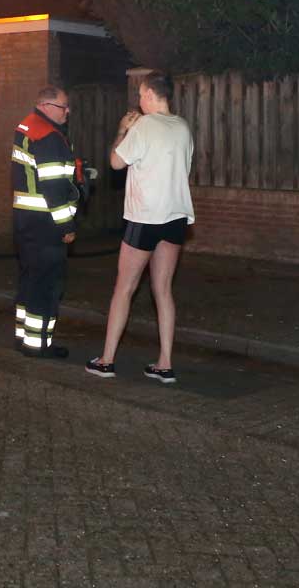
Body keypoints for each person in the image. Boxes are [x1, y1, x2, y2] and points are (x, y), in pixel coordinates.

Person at [87, 71, 194, 384]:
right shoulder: (183, 126)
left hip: (145, 217)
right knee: (162, 289)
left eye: (141, 95)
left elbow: (116, 163)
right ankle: (165, 363)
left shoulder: (144, 126)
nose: (139, 100)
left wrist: (122, 130)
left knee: (125, 288)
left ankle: (106, 361)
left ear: (149, 94)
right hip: (175, 217)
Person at [11, 85, 82, 358]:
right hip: (47, 224)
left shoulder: (27, 127)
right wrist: (67, 227)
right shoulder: (49, 137)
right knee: (47, 286)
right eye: (64, 107)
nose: (68, 112)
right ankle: (39, 345)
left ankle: (24, 338)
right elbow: (53, 189)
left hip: (25, 221)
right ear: (45, 106)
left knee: (29, 282)